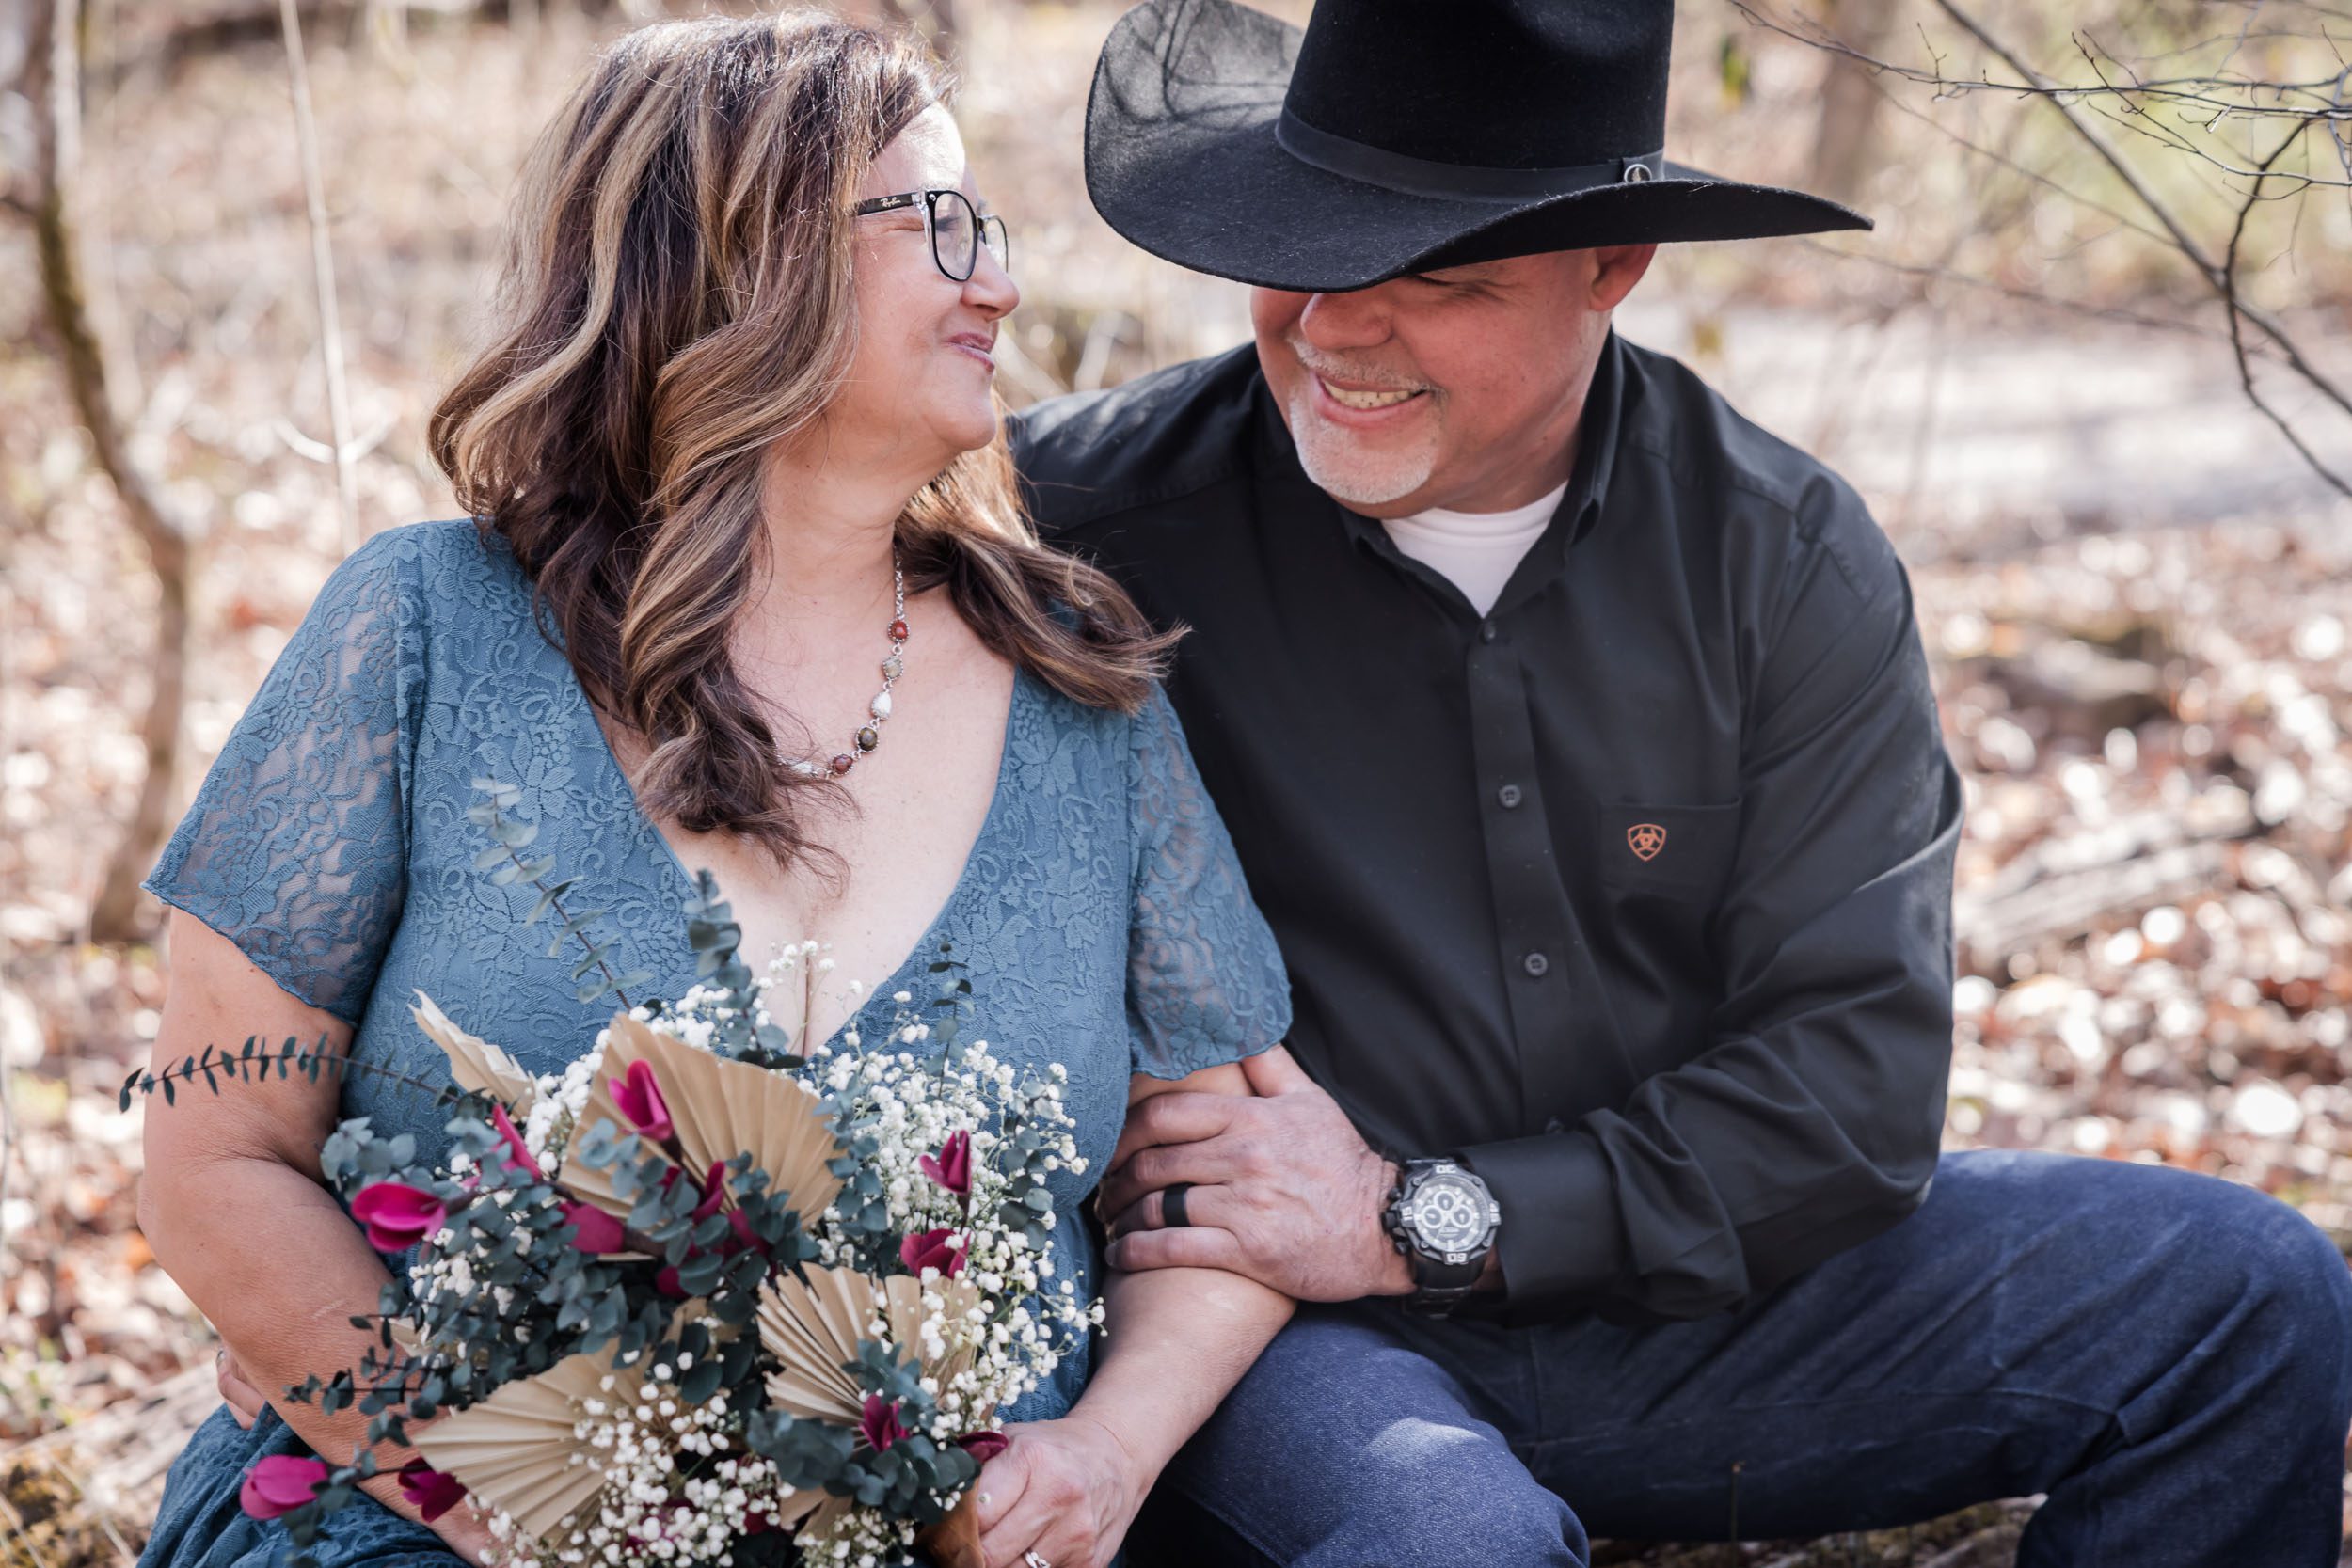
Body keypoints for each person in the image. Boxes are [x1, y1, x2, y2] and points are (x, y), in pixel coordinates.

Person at [1012, 2, 2352, 1564]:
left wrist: (1407, 1213)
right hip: (1282, 1344)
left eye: (1440, 277)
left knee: (2250, 1301)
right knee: (1458, 1550)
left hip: (1700, 1311)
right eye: (1300, 248)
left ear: (1615, 268)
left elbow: (1852, 1091)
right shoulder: (1074, 527)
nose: (1337, 327)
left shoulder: (1780, 555)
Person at [133, 16, 1294, 1568]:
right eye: (937, 223)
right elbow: (214, 1155)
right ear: (741, 256)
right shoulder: (425, 632)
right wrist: (502, 1496)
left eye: (989, 228)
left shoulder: (1080, 687)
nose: (998, 281)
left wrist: (1108, 1449)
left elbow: (1220, 1195)